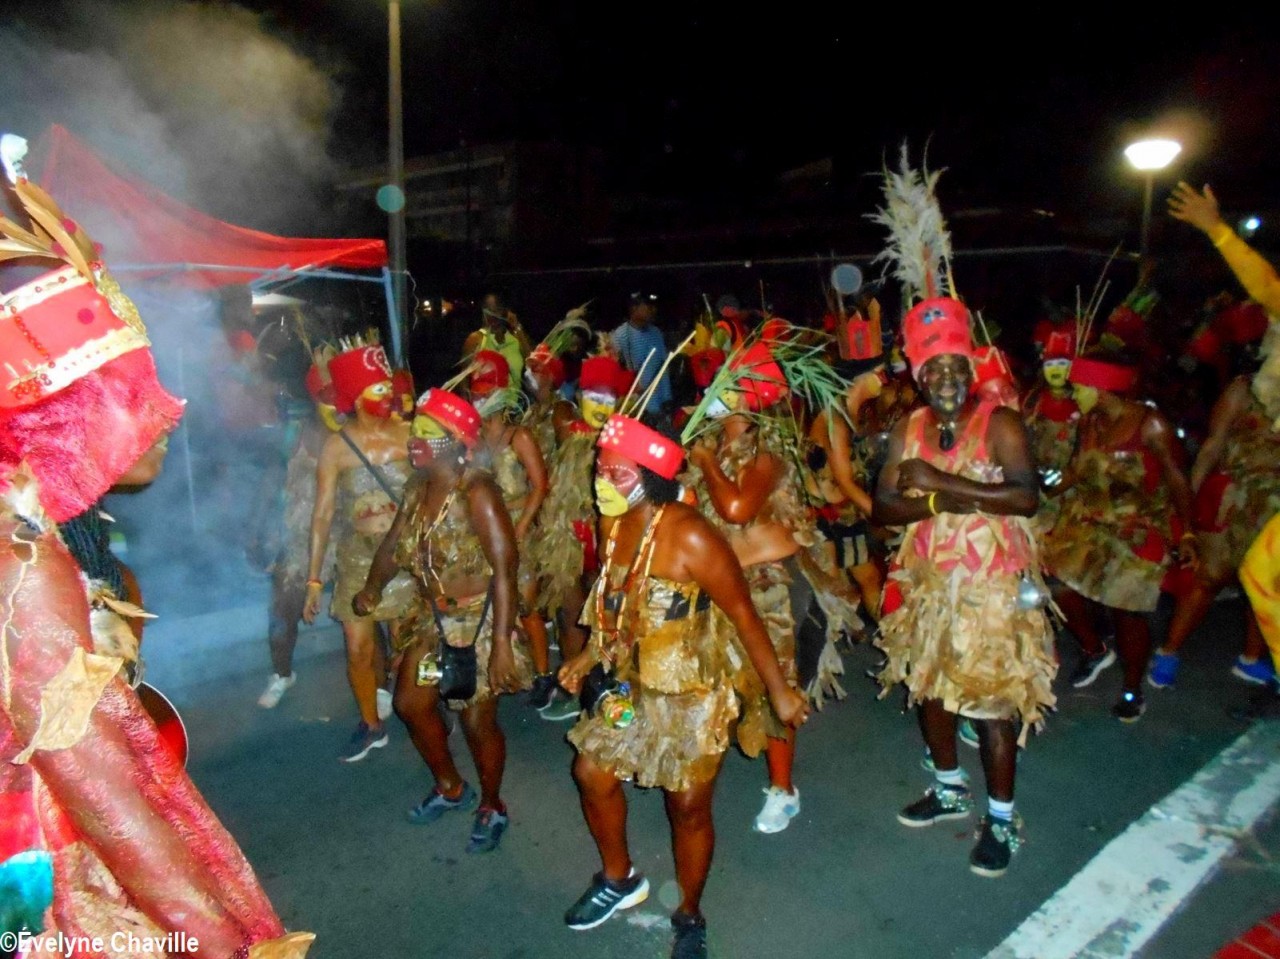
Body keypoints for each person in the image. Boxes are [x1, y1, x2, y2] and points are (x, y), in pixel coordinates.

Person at [0, 149, 312, 956]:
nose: (162, 415)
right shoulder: (19, 557)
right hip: (36, 873)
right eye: (124, 397)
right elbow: (107, 795)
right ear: (57, 415)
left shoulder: (31, 522)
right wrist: (217, 938)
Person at [557, 411, 809, 959]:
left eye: (617, 473)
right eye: (600, 468)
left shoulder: (691, 534)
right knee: (591, 773)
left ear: (650, 477)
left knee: (687, 806)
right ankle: (619, 878)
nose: (603, 481)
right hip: (630, 681)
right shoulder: (613, 524)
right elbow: (615, 603)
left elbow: (744, 615)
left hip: (692, 690)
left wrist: (780, 693)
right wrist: (589, 653)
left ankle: (690, 913)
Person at [873, 296, 1055, 877]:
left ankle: (1002, 819)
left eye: (956, 368)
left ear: (971, 370)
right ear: (919, 377)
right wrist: (934, 501)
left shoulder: (1000, 423)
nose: (947, 379)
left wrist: (942, 483)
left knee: (992, 704)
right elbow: (884, 506)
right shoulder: (908, 428)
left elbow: (1025, 496)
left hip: (991, 591)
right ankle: (949, 787)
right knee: (930, 689)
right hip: (929, 586)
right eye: (935, 370)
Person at [354, 388, 531, 852]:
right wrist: (372, 587)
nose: (414, 440)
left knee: (476, 720)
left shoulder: (478, 492)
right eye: (415, 430)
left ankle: (492, 804)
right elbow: (393, 545)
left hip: (479, 622)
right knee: (411, 703)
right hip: (433, 621)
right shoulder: (418, 489)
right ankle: (451, 786)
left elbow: (505, 568)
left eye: (427, 433)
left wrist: (501, 645)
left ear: (455, 441)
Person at [1044, 356, 1194, 720]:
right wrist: (1042, 487)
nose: (1072, 394)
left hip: (1136, 528)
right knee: (1052, 582)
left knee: (1126, 611)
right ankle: (1095, 649)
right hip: (1091, 520)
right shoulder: (1090, 422)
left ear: (1101, 390)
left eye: (1079, 387)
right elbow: (1075, 470)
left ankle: (1132, 688)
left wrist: (1188, 531)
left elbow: (1177, 478)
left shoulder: (1151, 424)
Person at [303, 337, 416, 761]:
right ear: (355, 396)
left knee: (407, 644)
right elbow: (322, 515)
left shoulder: (410, 435)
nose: (389, 395)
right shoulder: (336, 448)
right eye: (378, 388)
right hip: (356, 558)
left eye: (388, 386)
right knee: (358, 648)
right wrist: (314, 580)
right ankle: (371, 724)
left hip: (404, 556)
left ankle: (418, 708)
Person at [1149, 367, 1279, 688]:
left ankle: (1251, 658)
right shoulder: (1244, 388)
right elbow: (1213, 444)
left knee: (1269, 583)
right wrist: (1187, 504)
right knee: (1208, 577)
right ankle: (1168, 652)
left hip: (1275, 507)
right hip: (1234, 499)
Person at [525, 353, 634, 719]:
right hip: (571, 535)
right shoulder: (566, 425)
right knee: (571, 613)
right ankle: (575, 685)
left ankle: (613, 689)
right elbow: (555, 409)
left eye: (609, 399)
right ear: (579, 396)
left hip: (610, 536)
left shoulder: (626, 440)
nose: (601, 407)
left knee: (608, 615)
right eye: (594, 397)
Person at [467, 350, 552, 709]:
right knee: (497, 602)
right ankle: (509, 668)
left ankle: (544, 675)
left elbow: (540, 486)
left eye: (487, 393)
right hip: (488, 533)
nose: (480, 400)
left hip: (520, 530)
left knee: (526, 605)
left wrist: (519, 527)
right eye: (476, 394)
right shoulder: (473, 438)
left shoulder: (520, 436)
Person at [256, 358, 341, 708]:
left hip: (346, 538)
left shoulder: (355, 433)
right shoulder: (295, 435)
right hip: (300, 538)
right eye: (325, 395)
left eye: (337, 394)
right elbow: (271, 481)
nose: (332, 401)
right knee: (281, 613)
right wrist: (258, 530)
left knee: (362, 619)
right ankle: (282, 674)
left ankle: (380, 686)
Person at [611, 292, 672, 414]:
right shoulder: (620, 335)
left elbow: (663, 367)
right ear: (634, 308)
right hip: (635, 406)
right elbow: (616, 370)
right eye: (649, 306)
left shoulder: (656, 333)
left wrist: (667, 397)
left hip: (658, 403)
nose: (653, 310)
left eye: (654, 306)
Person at [462, 291, 531, 388]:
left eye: (496, 310)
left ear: (504, 311)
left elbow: (532, 362)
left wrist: (517, 326)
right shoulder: (476, 339)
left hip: (514, 397)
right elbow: (463, 382)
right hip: (486, 397)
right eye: (488, 310)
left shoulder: (514, 339)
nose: (492, 315)